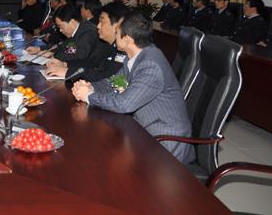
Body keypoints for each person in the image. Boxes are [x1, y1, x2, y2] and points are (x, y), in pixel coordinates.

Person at [71, 11, 194, 164]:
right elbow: (113, 83)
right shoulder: (137, 55)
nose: (115, 36)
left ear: (128, 39)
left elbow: (124, 104)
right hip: (143, 131)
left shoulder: (151, 66)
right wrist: (91, 87)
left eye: (117, 33)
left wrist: (89, 96)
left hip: (165, 145)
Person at [46, 2, 129, 82]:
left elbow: (105, 76)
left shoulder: (123, 50)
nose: (98, 26)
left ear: (118, 25)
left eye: (102, 22)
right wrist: (65, 64)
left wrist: (68, 72)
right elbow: (92, 62)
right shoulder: (106, 44)